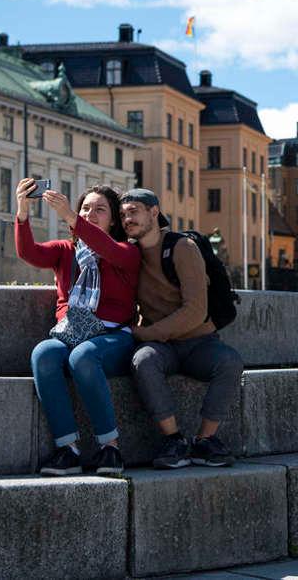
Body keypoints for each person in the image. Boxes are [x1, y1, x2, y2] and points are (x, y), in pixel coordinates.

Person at [16, 180, 140, 477]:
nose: (90, 214)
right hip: (71, 332)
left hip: (112, 337)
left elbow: (106, 249)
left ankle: (110, 448)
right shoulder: (66, 250)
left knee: (83, 357)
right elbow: (29, 253)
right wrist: (22, 211)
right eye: (86, 208)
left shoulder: (126, 251)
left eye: (100, 210)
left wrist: (71, 216)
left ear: (113, 221)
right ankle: (67, 450)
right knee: (44, 354)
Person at [121, 189, 244, 469]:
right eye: (124, 214)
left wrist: (143, 334)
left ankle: (205, 441)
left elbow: (195, 311)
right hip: (163, 348)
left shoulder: (181, 247)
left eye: (134, 211)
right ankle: (173, 439)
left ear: (154, 212)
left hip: (198, 342)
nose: (128, 219)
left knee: (230, 362)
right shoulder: (129, 254)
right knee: (143, 360)